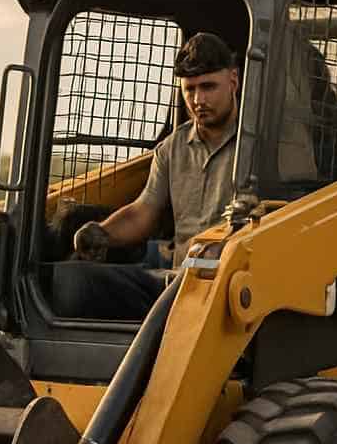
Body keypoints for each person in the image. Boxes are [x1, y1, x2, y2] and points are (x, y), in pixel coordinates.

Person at [50, 31, 242, 320]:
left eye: (208, 87)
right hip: (176, 282)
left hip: (233, 287)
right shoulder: (171, 149)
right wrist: (103, 233)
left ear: (233, 81)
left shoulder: (261, 145)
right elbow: (143, 211)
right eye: (190, 90)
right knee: (72, 281)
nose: (198, 99)